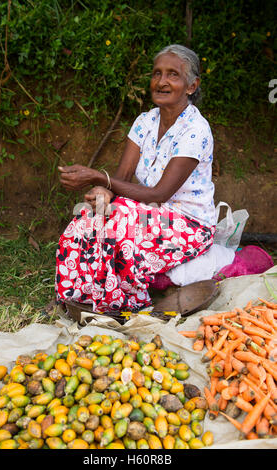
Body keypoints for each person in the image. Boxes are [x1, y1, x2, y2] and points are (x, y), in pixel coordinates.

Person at [55, 44, 216, 313]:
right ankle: (79, 298)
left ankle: (125, 306)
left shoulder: (196, 130)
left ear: (191, 85)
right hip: (146, 212)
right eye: (156, 74)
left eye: (173, 75)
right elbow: (121, 177)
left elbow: (159, 194)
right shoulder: (145, 122)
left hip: (189, 224)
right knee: (88, 216)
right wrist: (102, 192)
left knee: (120, 222)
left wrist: (98, 176)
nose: (161, 82)